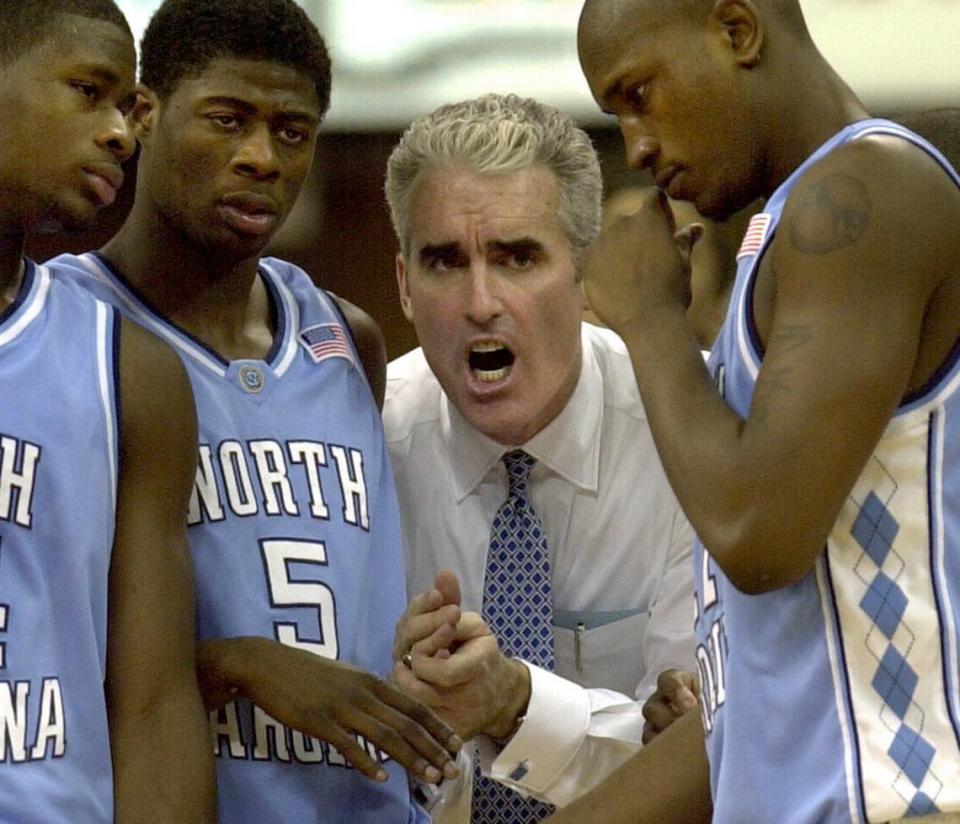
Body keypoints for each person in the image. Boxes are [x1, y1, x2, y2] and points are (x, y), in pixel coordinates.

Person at [550, 0, 960, 822]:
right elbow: (754, 702)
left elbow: (757, 535)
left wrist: (649, 320)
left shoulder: (866, 191)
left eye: (640, 93)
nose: (637, 146)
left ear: (736, 30)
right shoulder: (784, 244)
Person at [50, 1, 460, 822]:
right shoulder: (58, 330)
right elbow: (30, 658)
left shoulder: (350, 338)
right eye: (228, 120)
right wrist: (237, 665)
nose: (261, 158)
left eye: (292, 131)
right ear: (142, 113)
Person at [382, 93, 697, 822]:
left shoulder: (687, 430)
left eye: (518, 257)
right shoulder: (363, 444)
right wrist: (408, 724)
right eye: (445, 262)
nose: (481, 301)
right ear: (403, 285)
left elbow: (702, 753)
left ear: (586, 275)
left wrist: (516, 703)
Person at [0, 1, 215, 822]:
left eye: (128, 107)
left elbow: (154, 709)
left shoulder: (129, 370)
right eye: (90, 91)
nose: (123, 133)